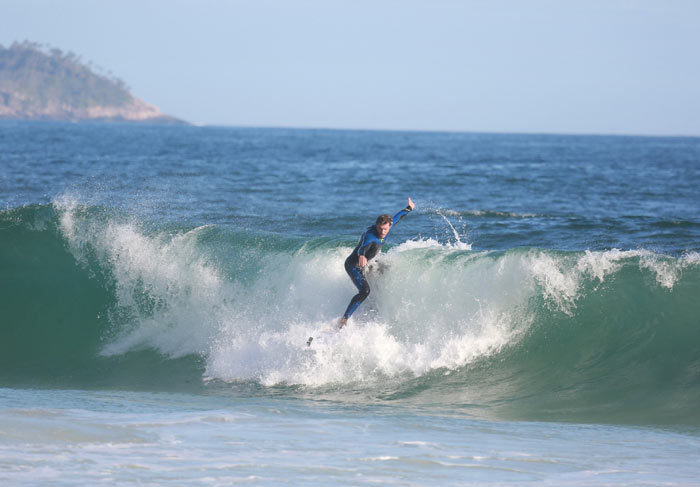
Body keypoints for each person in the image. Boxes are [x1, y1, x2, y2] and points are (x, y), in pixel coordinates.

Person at [338, 197, 415, 329]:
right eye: (380, 229)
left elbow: (398, 216)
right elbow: (363, 246)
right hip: (353, 265)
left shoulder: (389, 225)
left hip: (368, 263)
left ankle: (372, 309)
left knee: (385, 269)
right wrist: (361, 255)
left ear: (389, 225)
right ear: (376, 226)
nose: (382, 232)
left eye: (385, 229)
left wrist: (409, 208)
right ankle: (344, 318)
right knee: (365, 291)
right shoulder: (370, 235)